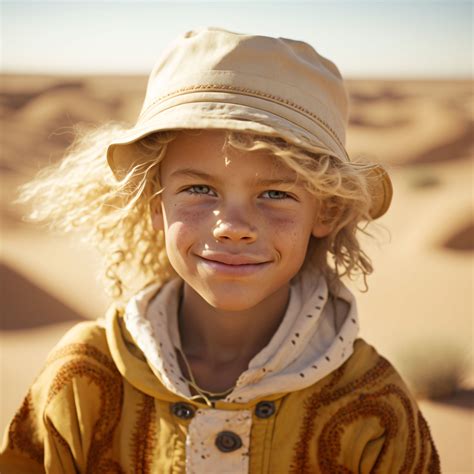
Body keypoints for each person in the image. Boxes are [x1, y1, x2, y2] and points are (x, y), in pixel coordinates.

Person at [0, 27, 439, 473]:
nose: (232, 228)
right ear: (156, 206)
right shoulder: (84, 376)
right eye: (198, 188)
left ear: (324, 213)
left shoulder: (374, 404)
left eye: (275, 194)